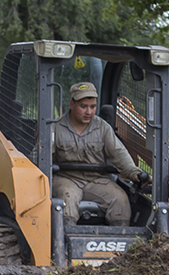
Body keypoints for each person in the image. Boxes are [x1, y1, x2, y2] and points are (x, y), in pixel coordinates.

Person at [52, 81, 150, 226]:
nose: (89, 112)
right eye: (83, 106)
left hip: (96, 180)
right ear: (72, 104)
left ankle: (119, 238)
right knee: (68, 199)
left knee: (120, 199)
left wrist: (134, 173)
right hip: (66, 179)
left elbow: (119, 154)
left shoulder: (103, 128)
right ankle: (65, 237)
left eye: (93, 107)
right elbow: (40, 156)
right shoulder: (55, 128)